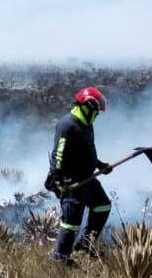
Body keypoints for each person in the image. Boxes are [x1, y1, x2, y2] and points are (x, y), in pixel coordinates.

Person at [46, 86, 113, 261]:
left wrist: (100, 165)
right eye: (97, 111)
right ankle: (60, 259)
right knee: (71, 223)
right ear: (88, 106)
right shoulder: (67, 125)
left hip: (86, 178)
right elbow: (58, 156)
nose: (98, 115)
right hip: (71, 181)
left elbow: (86, 151)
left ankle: (85, 244)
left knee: (103, 205)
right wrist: (59, 182)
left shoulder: (87, 124)